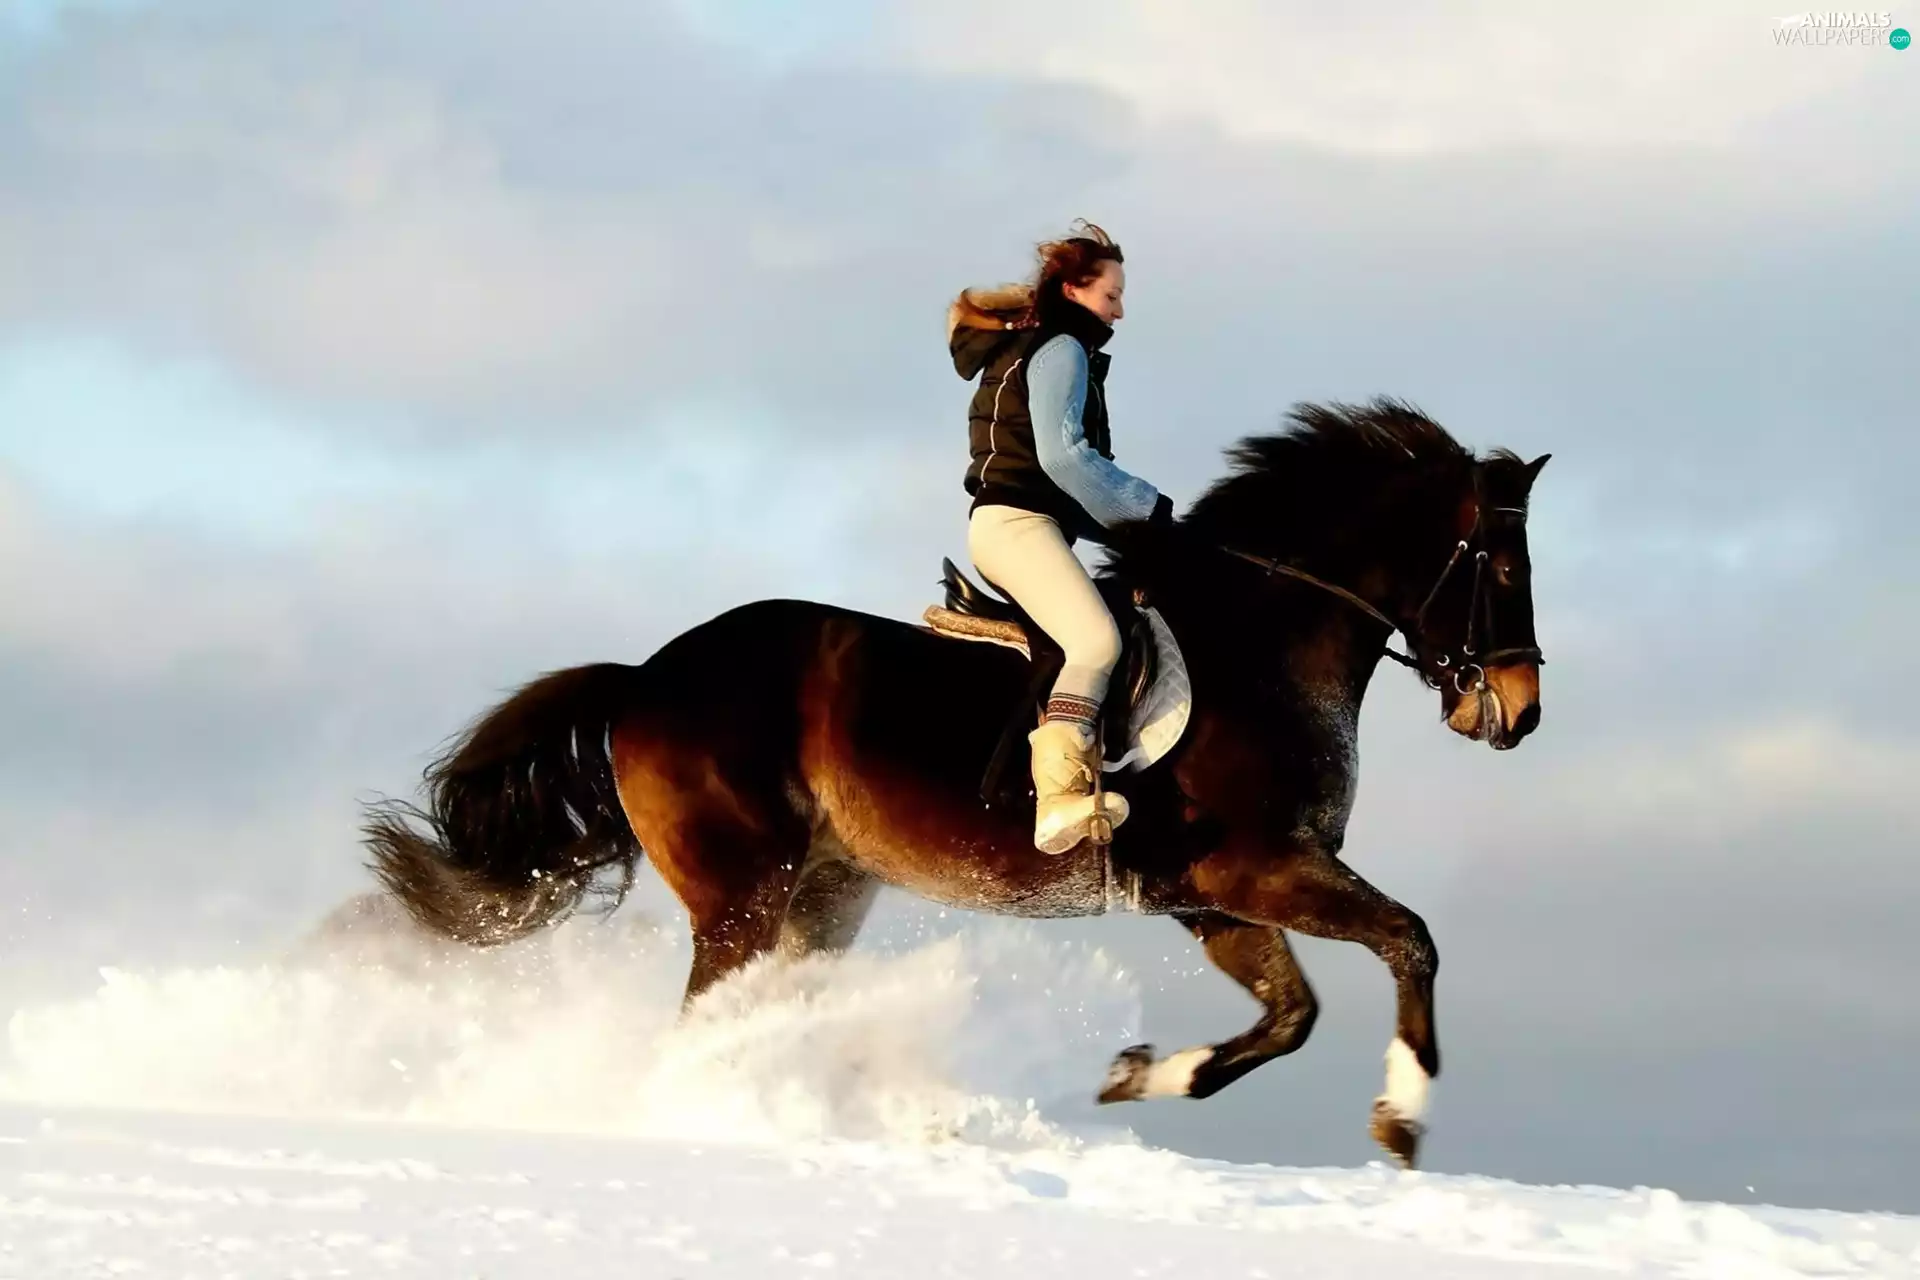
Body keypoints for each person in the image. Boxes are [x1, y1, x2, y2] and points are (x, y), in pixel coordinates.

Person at [948, 221, 1174, 855]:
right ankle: (1060, 796)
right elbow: (1065, 457)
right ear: (1074, 289)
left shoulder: (1039, 344)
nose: (1120, 310)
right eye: (1112, 294)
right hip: (1017, 525)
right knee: (1097, 640)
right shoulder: (1061, 348)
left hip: (1020, 524)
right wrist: (1145, 508)